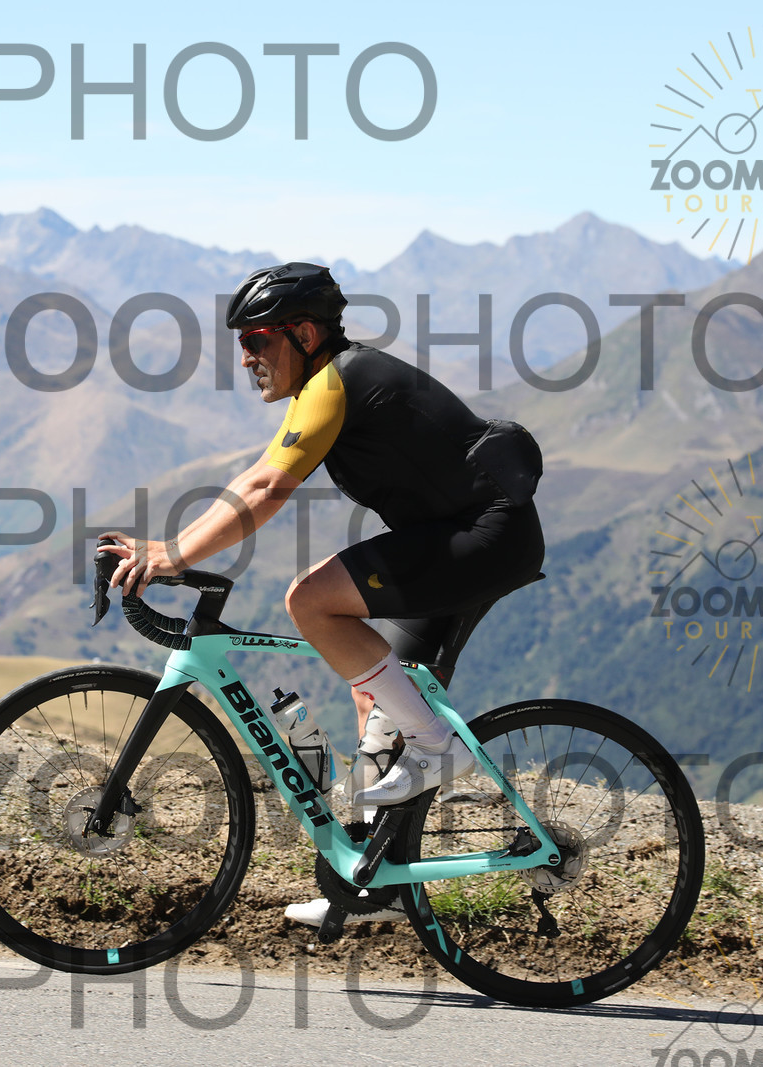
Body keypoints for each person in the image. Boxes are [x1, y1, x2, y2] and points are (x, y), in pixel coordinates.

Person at [100, 262, 545, 925]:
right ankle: (374, 886)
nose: (246, 358)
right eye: (242, 343)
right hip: (470, 535)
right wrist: (169, 548)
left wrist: (173, 555)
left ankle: (438, 749)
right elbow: (257, 473)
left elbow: (266, 491)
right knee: (379, 697)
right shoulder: (325, 385)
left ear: (304, 334)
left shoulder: (338, 380)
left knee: (311, 600)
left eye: (256, 340)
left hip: (483, 535)